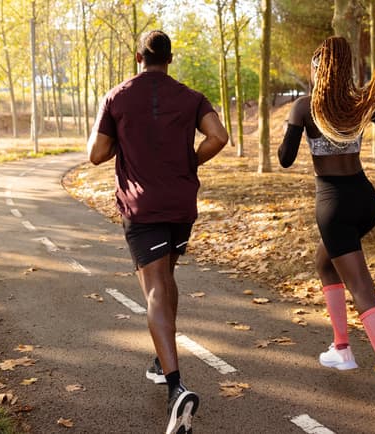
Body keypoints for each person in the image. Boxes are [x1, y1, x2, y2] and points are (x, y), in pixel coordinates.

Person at [277, 36, 375, 429]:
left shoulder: (305, 106)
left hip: (334, 206)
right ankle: (341, 348)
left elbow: (286, 159)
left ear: (319, 68)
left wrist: (294, 126)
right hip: (365, 201)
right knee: (324, 262)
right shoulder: (361, 102)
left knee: (361, 287)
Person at [87, 30, 228, 434]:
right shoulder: (191, 96)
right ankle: (160, 359)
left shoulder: (116, 97)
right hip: (181, 204)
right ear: (170, 58)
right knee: (166, 278)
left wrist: (123, 140)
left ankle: (175, 387)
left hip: (142, 206)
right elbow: (219, 136)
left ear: (138, 57)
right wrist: (191, 162)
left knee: (153, 289)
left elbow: (96, 154)